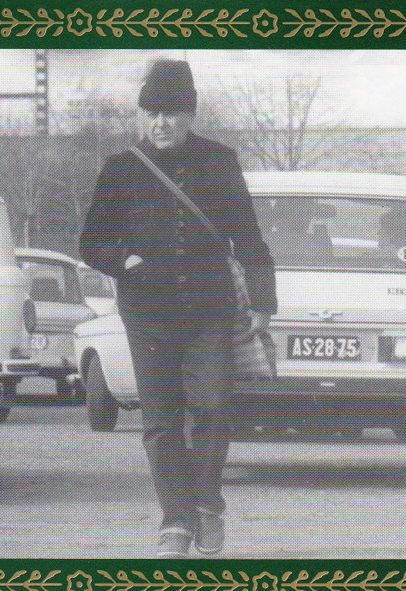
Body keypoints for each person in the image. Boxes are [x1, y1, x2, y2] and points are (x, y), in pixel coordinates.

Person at [79, 59, 277, 558]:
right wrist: (123, 260)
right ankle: (176, 522)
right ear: (140, 116)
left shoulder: (220, 162)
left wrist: (263, 300)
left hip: (210, 311)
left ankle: (206, 502)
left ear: (190, 116)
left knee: (214, 406)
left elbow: (248, 234)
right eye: (151, 114)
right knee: (161, 422)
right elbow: (90, 243)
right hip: (147, 315)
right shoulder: (121, 167)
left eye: (171, 114)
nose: (161, 124)